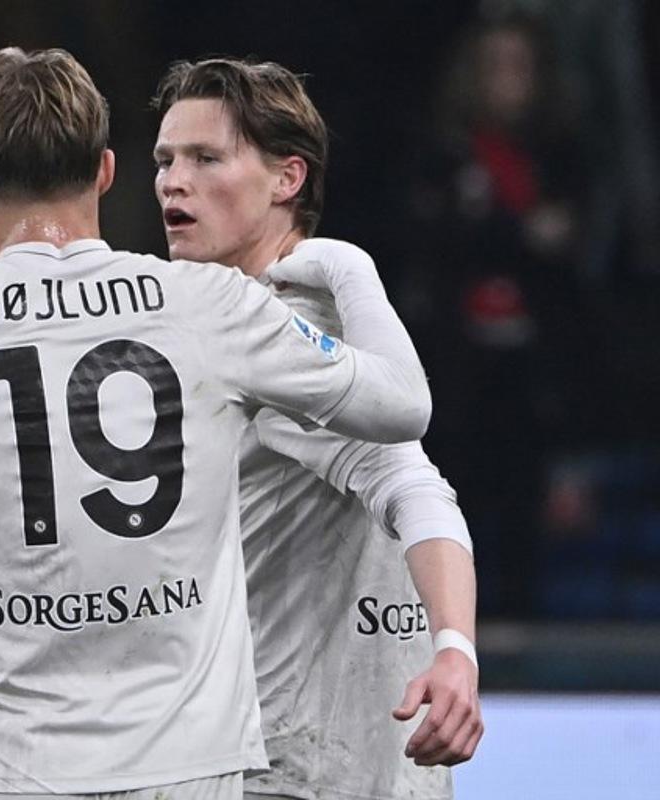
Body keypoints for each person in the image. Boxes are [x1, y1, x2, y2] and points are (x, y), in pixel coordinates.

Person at [0, 47, 431, 799]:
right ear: (107, 171)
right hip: (181, 765)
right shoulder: (205, 303)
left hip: (2, 764)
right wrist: (350, 269)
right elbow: (403, 403)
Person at [150, 57, 483, 800]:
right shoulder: (228, 321)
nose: (174, 181)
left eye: (206, 158)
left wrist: (455, 650)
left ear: (286, 178)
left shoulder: (290, 330)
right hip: (333, 760)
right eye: (165, 160)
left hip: (295, 771)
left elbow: (412, 487)